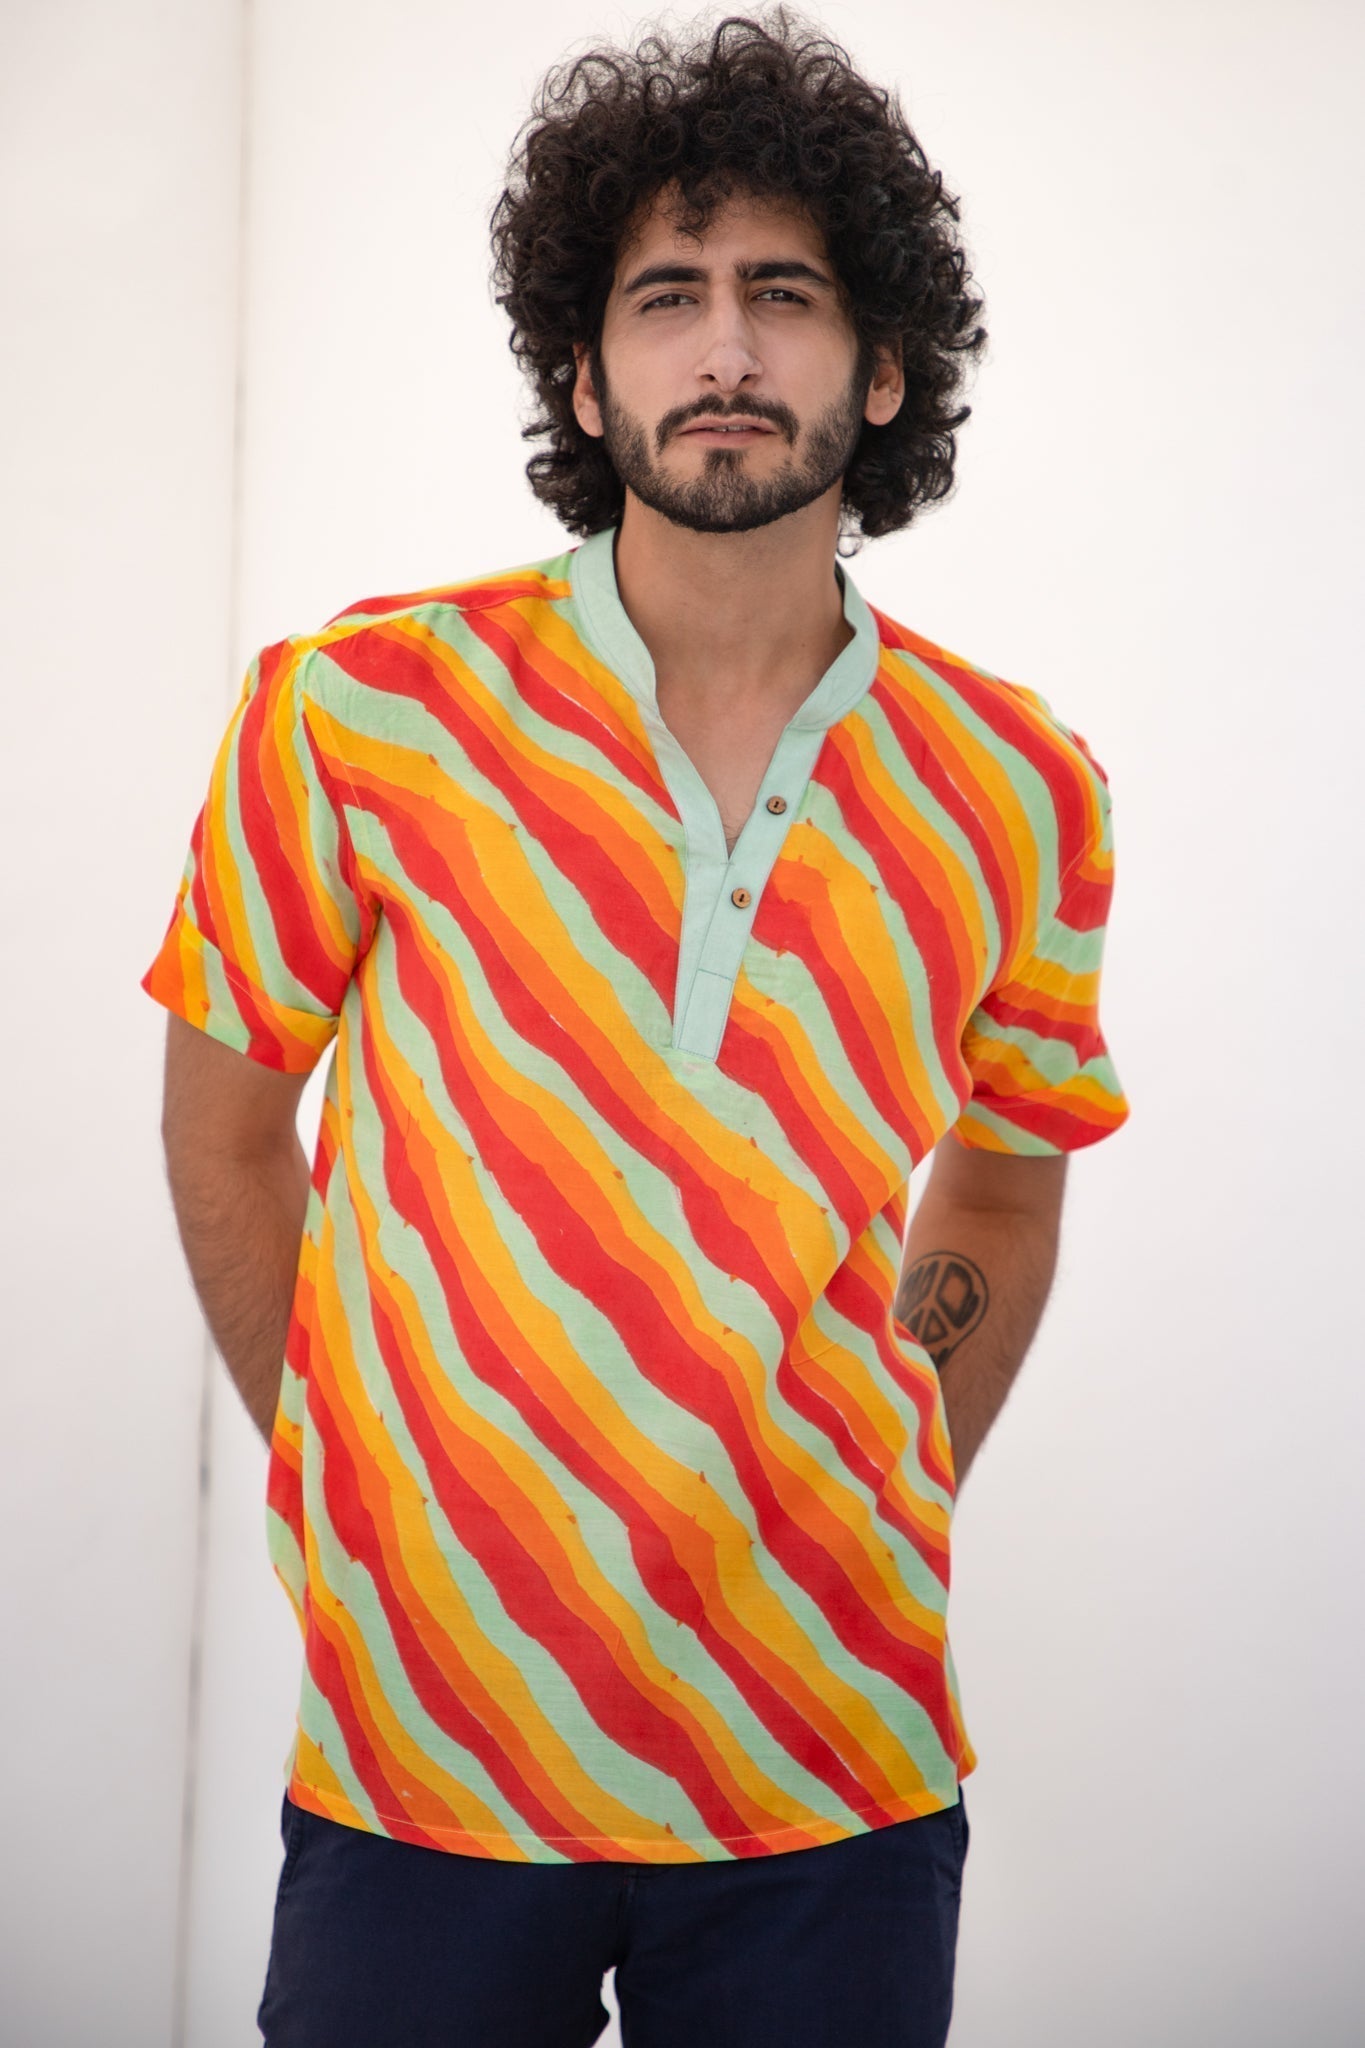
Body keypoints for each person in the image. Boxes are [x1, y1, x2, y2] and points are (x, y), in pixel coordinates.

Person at [144, 11, 1129, 2045]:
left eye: (785, 292)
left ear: (880, 365)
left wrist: (878, 1485)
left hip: (832, 1768)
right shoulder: (354, 714)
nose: (725, 347)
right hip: (423, 1751)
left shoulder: (1017, 787)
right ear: (585, 374)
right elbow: (227, 1127)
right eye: (665, 295)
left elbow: (1005, 1184)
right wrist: (350, 1468)